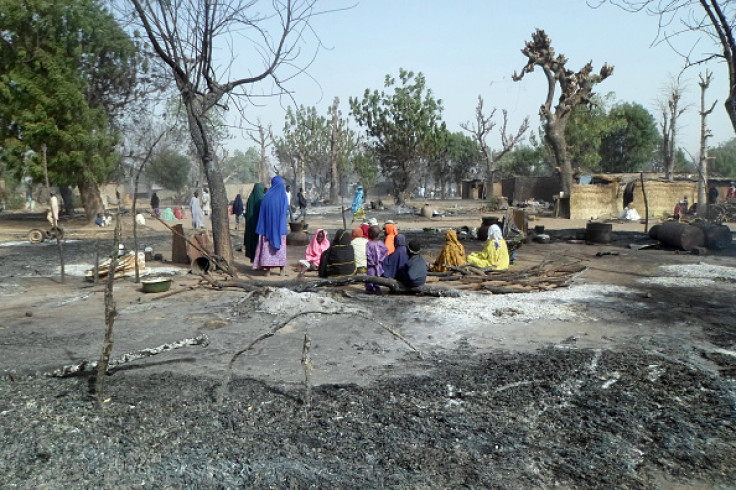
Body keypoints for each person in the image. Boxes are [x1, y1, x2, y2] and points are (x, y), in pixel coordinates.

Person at [254, 176, 289, 275]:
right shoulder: (283, 197)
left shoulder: (267, 197)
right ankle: (282, 270)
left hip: (267, 229)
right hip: (280, 228)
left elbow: (262, 213)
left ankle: (268, 270)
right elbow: (285, 211)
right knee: (281, 249)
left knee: (268, 249)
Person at [243, 183, 265, 263]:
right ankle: (259, 261)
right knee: (259, 243)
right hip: (259, 226)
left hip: (250, 225)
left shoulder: (250, 199)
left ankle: (253, 259)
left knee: (252, 242)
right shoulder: (262, 199)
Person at [365, 225, 388, 294]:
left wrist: (372, 262)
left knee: (370, 277)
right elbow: (386, 251)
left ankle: (370, 289)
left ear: (371, 234)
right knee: (377, 277)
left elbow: (368, 254)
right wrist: (380, 259)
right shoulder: (381, 243)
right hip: (379, 264)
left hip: (371, 266)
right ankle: (377, 289)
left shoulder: (369, 244)